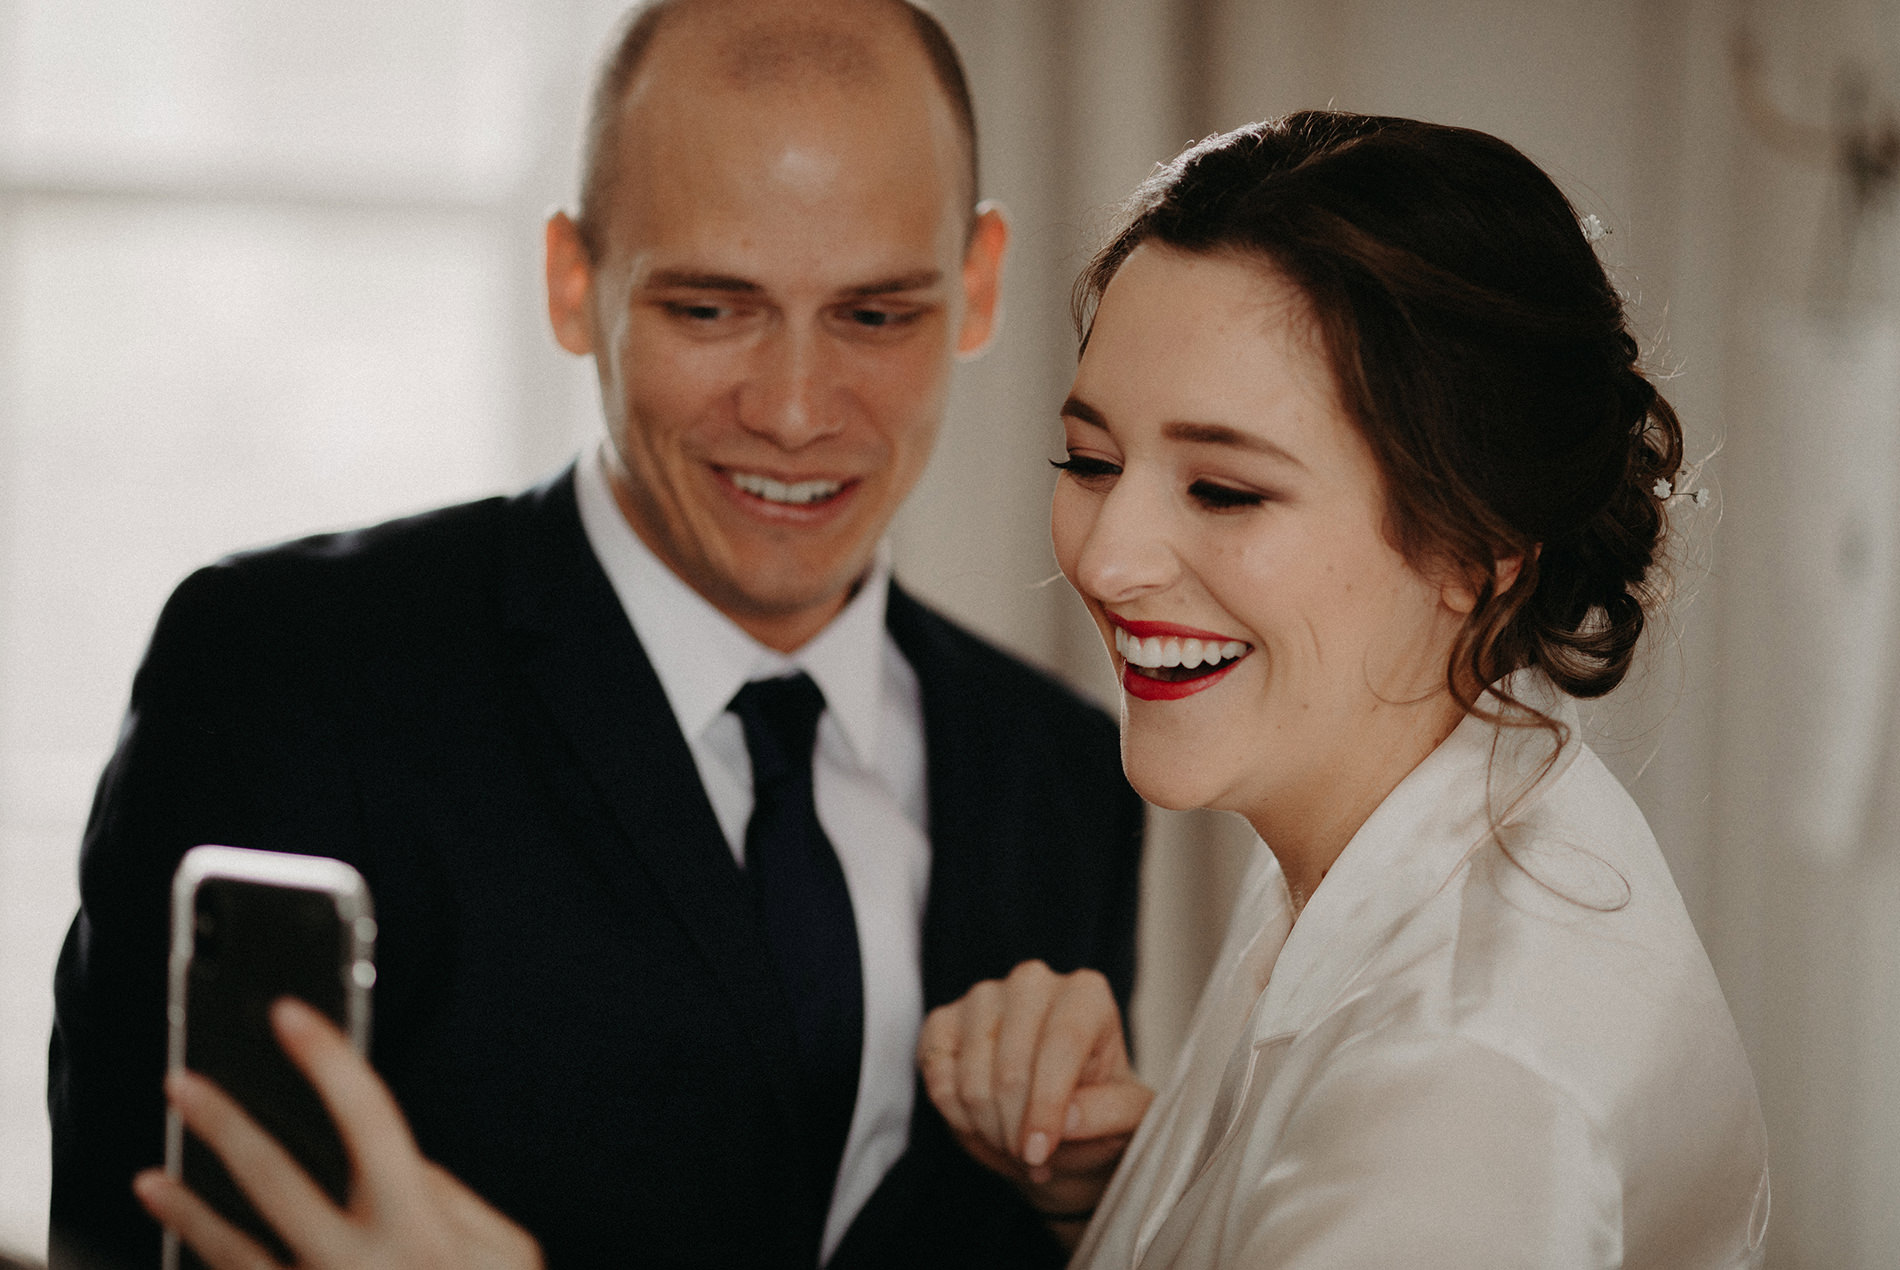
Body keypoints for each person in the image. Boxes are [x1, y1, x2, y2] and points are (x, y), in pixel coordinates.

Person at [47, 1, 1144, 1266]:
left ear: (978, 284)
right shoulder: (283, 673)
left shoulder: (1064, 775)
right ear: (574, 282)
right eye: (710, 310)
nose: (794, 410)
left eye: (874, 316)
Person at [917, 112, 1771, 1266]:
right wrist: (1120, 1188)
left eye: (1222, 488)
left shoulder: (1466, 1085)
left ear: (1475, 553)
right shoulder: (1361, 817)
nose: (1108, 557)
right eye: (1092, 462)